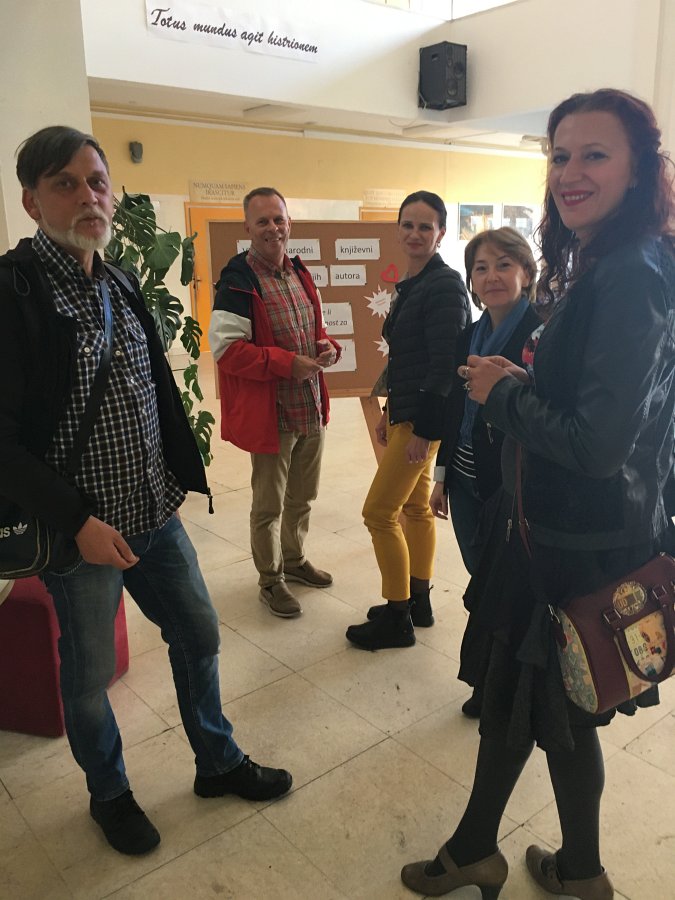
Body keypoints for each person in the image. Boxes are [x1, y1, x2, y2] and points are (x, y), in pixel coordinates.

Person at [401, 88, 675, 899]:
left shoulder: (628, 275)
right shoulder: (619, 263)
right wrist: (521, 383)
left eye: (595, 154)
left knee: (534, 706)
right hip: (566, 534)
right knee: (536, 705)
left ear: (637, 169)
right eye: (559, 155)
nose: (569, 172)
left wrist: (503, 395)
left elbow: (596, 444)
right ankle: (537, 862)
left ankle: (500, 858)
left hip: (572, 547)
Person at [0, 127, 292, 857]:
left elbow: (152, 391)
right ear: (31, 201)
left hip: (154, 514)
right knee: (90, 677)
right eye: (66, 184)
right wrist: (77, 521)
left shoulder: (121, 280)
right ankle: (110, 794)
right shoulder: (12, 292)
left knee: (199, 633)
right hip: (81, 536)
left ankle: (216, 762)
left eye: (97, 181)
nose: (88, 196)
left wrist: (177, 474)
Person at [346, 191, 471, 651]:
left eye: (425, 226)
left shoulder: (444, 286)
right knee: (416, 508)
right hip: (409, 413)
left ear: (441, 234)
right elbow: (406, 360)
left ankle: (397, 616)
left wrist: (423, 430)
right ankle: (419, 601)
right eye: (408, 225)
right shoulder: (414, 284)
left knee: (379, 512)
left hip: (423, 421)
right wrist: (389, 412)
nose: (415, 234)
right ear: (398, 230)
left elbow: (444, 367)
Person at [209, 188, 341, 619]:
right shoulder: (237, 281)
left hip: (310, 407)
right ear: (247, 227)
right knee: (269, 506)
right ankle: (271, 579)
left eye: (278, 219)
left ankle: (295, 559)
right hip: (274, 417)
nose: (272, 228)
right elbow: (227, 351)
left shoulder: (300, 274)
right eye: (262, 221)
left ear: (289, 224)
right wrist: (286, 364)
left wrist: (327, 346)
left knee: (303, 497)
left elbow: (315, 330)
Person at [430, 227, 542, 716]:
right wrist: (441, 475)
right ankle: (493, 676)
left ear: (526, 272)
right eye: (481, 268)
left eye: (503, 264)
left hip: (510, 486)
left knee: (506, 589)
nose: (492, 276)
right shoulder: (468, 336)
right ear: (471, 281)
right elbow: (456, 410)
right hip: (465, 481)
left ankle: (503, 689)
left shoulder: (539, 335)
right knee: (481, 581)